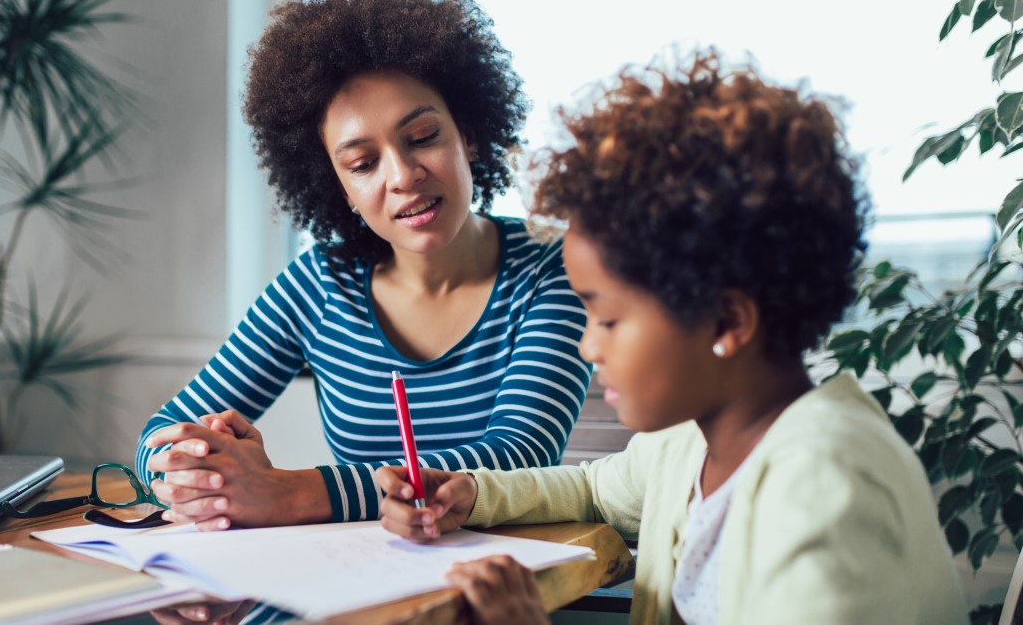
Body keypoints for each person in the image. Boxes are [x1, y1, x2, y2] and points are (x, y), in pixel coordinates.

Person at [376, 53, 968, 624]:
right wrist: (470, 494)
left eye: (607, 319)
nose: (588, 346)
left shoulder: (826, 495)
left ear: (727, 323)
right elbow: (595, 489)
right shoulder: (695, 441)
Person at [135, 0, 592, 532]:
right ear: (338, 187)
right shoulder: (319, 285)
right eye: (363, 163)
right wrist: (196, 477)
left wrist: (291, 493)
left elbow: (519, 457)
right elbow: (159, 435)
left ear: (468, 133)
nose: (404, 176)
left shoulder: (553, 268)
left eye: (423, 136)